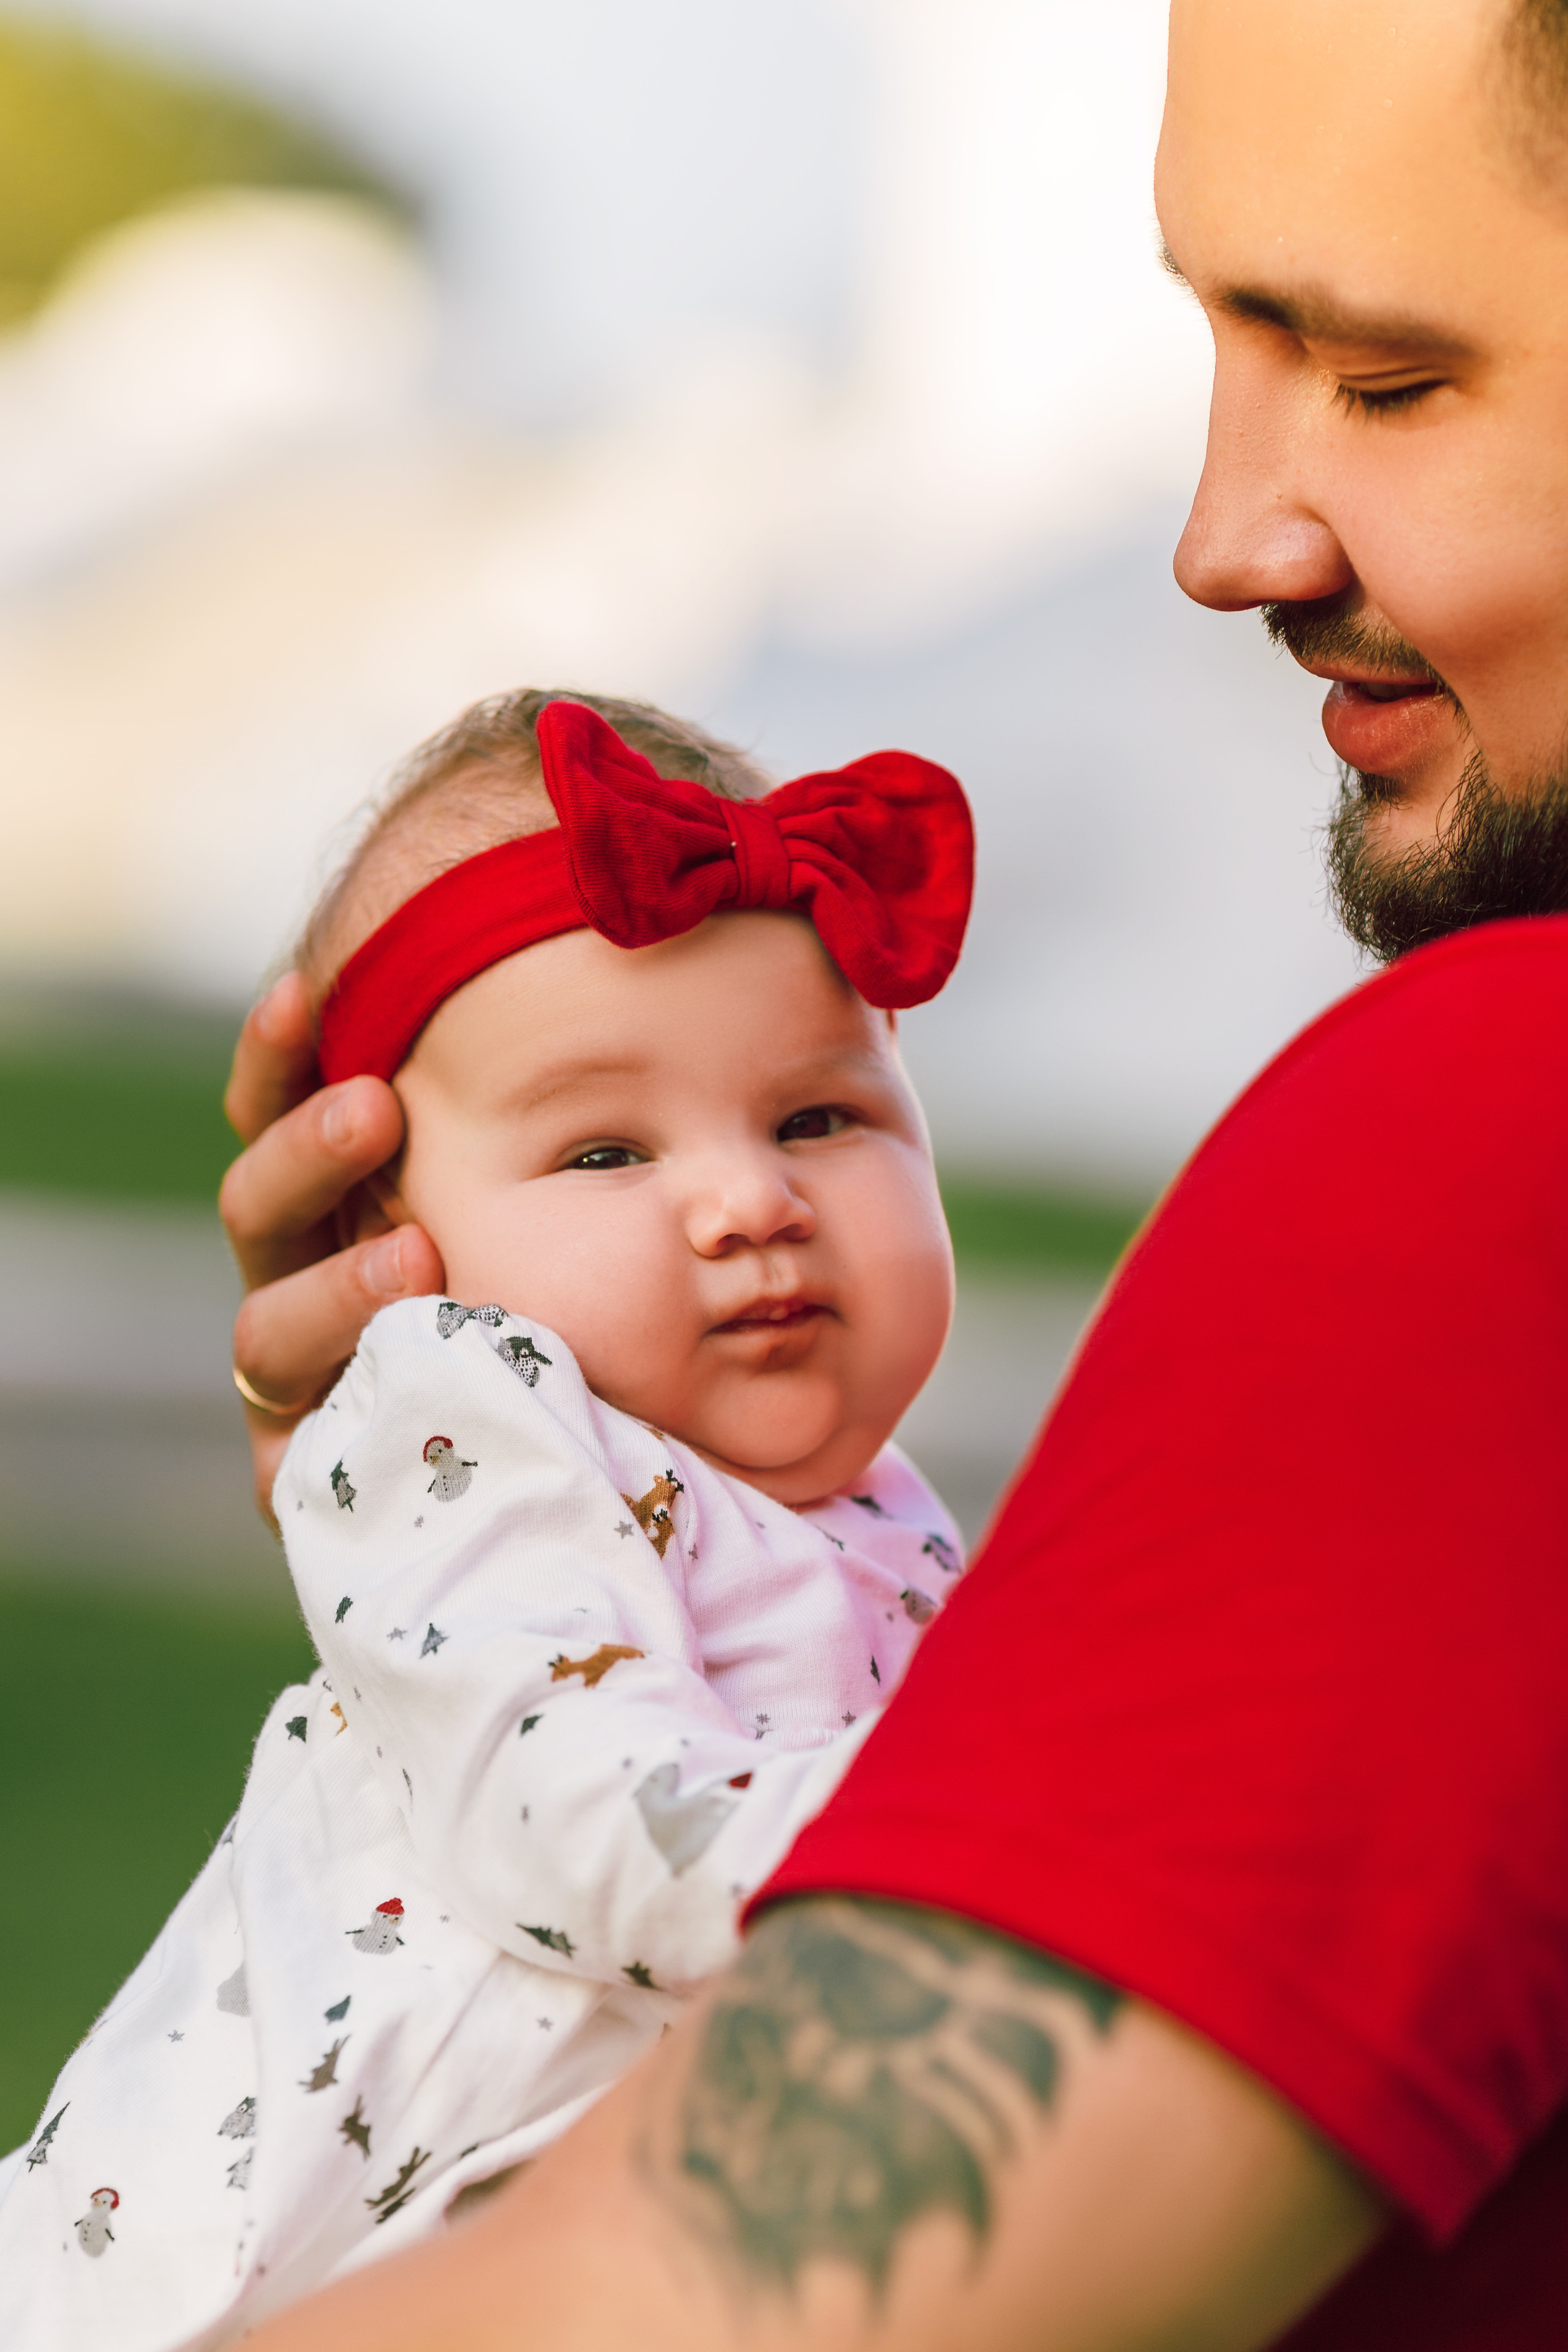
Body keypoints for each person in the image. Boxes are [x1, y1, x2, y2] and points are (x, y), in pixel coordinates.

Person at [227, 0, 1568, 2341]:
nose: (1221, 538)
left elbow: (722, 2296)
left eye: (1383, 376)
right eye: (1216, 342)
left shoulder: (1503, 1131)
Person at [0, 690, 974, 2351]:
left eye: (822, 1117)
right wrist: (1001, 1862)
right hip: (258, 2280)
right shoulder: (469, 1418)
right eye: (605, 1149)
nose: (752, 1201)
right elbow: (585, 1814)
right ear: (388, 1235)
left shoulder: (888, 1518)